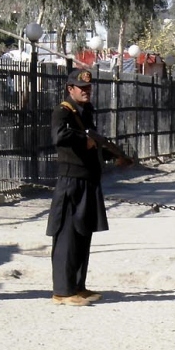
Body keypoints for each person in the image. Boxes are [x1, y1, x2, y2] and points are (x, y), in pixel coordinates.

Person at [47, 68, 131, 306]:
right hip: (71, 180)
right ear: (70, 89)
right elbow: (60, 137)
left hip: (87, 179)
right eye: (81, 88)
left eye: (88, 88)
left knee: (83, 234)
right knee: (67, 237)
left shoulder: (86, 111)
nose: (85, 92)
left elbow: (93, 143)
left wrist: (113, 156)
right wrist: (86, 139)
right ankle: (62, 292)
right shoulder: (62, 111)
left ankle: (77, 286)